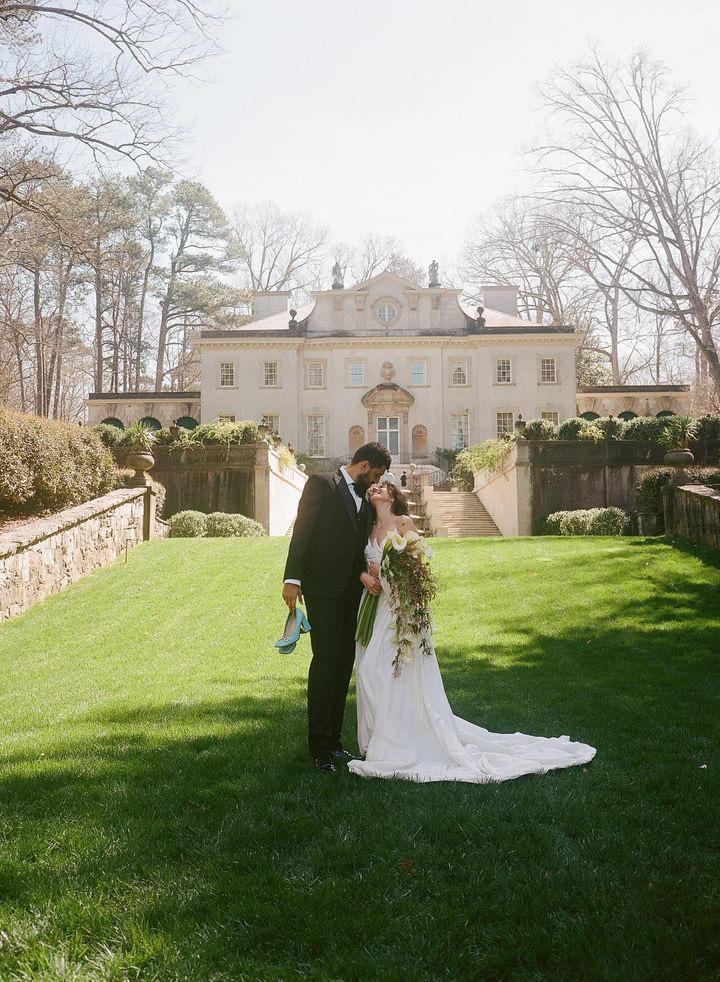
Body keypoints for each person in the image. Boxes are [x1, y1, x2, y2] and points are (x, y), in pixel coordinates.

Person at [347, 482, 596, 784]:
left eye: (383, 486)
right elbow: (361, 561)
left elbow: (417, 565)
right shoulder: (368, 525)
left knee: (393, 671)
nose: (376, 488)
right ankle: (378, 736)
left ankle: (397, 740)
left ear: (393, 495)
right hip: (375, 605)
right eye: (373, 486)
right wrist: (366, 576)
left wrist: (402, 594)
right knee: (368, 671)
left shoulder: (404, 522)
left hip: (400, 607)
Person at [282, 442, 391, 772]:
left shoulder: (365, 500)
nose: (376, 481)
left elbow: (358, 546)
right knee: (326, 664)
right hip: (324, 592)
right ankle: (319, 747)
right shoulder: (321, 484)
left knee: (344, 666)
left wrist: (363, 574)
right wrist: (293, 579)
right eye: (376, 474)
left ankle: (335, 743)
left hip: (352, 596)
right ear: (362, 465)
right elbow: (303, 530)